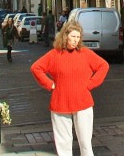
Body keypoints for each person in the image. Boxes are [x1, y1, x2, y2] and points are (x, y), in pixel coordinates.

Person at [31, 19, 109, 156]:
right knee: (63, 143)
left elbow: (103, 66)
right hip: (60, 102)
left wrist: (90, 84)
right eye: (73, 36)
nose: (75, 40)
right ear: (65, 36)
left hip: (83, 102)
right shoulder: (55, 54)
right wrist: (50, 84)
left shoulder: (85, 53)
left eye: (78, 37)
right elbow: (36, 68)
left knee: (85, 142)